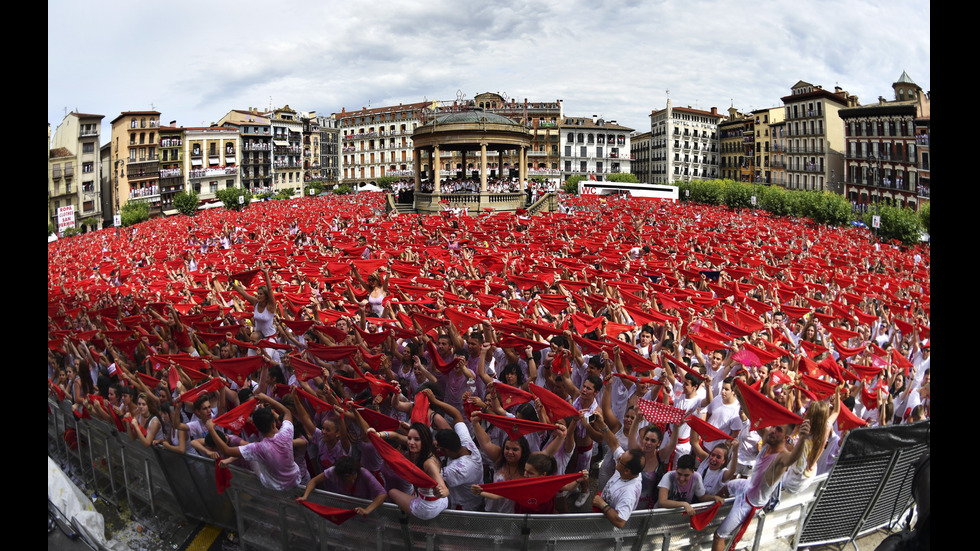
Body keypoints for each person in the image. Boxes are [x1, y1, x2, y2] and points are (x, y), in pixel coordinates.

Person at [711, 418, 812, 551]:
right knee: (725, 488)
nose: (773, 431)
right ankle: (709, 519)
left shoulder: (782, 457)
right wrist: (742, 396)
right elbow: (750, 417)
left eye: (778, 430)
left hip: (749, 504)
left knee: (719, 535)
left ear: (786, 437)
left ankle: (716, 529)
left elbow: (793, 457)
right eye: (773, 427)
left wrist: (803, 438)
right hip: (746, 486)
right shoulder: (767, 440)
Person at [205, 392, 303, 491]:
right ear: (274, 424)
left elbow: (226, 450)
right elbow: (287, 412)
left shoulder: (257, 448)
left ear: (256, 427)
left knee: (253, 460)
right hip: (295, 480)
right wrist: (267, 398)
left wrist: (211, 429)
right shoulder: (286, 433)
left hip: (274, 487)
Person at [376, 422, 450, 520]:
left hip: (428, 507)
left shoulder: (429, 463)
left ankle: (405, 521)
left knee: (392, 492)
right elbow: (396, 436)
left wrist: (442, 491)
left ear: (424, 441)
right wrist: (379, 435)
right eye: (409, 438)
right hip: (441, 501)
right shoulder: (422, 448)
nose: (411, 442)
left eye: (416, 439)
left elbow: (444, 489)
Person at [586, 411, 645, 528]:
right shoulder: (627, 465)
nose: (618, 457)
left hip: (609, 528)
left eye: (621, 460)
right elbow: (614, 444)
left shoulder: (629, 492)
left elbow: (620, 522)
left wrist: (602, 504)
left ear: (627, 471)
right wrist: (602, 425)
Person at [296, 455, 387, 518]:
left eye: (354, 476)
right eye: (348, 478)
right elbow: (314, 481)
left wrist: (367, 510)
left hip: (363, 511)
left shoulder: (363, 473)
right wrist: (305, 496)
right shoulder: (333, 471)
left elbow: (382, 494)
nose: (352, 481)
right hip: (344, 509)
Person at [656, 453, 723, 516]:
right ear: (676, 469)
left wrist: (714, 497)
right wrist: (684, 504)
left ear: (692, 472)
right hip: (662, 514)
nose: (682, 479)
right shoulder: (668, 476)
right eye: (679, 474)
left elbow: (701, 497)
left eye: (686, 475)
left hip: (681, 515)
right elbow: (662, 502)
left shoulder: (696, 477)